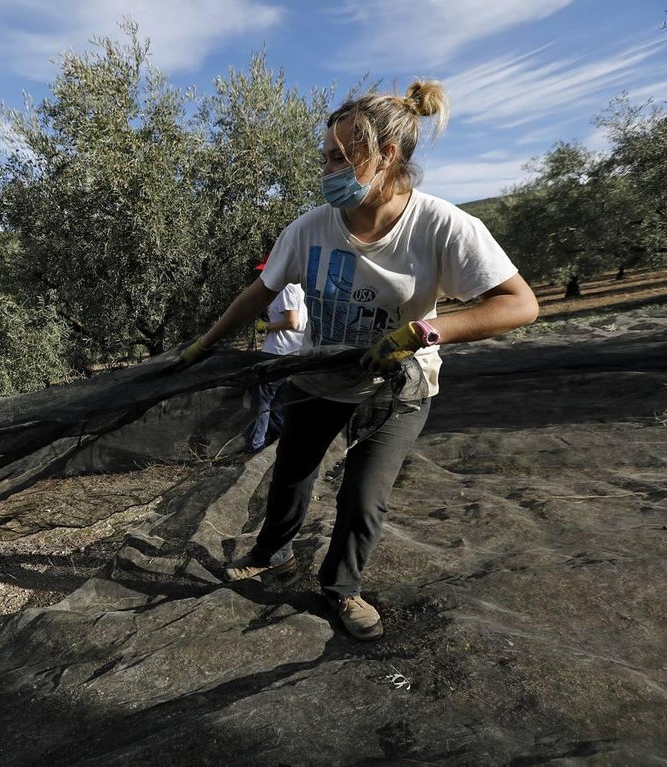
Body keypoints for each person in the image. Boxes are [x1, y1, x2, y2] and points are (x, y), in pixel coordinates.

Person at [179, 80, 538, 640]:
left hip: (397, 388)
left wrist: (424, 331)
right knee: (291, 475)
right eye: (325, 157)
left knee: (362, 498)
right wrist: (204, 345)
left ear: (386, 155)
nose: (326, 170)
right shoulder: (311, 227)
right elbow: (260, 293)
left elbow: (519, 304)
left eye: (338, 158)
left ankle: (341, 588)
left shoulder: (442, 225)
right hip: (318, 378)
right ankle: (272, 554)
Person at [246, 257, 308, 453]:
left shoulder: (285, 287)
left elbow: (292, 322)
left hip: (277, 354)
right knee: (279, 403)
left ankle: (256, 446)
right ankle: (276, 443)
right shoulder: (299, 286)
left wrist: (266, 327)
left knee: (262, 403)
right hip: (294, 352)